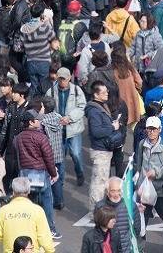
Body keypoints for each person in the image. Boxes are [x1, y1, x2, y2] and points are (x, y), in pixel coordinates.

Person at [13, 109, 60, 239]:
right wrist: (53, 173)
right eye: (37, 119)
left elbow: (17, 155)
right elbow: (49, 158)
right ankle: (50, 229)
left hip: (25, 175)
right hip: (41, 174)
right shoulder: (41, 137)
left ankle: (32, 229)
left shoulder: (18, 138)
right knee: (47, 202)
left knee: (31, 203)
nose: (40, 121)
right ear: (31, 122)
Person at [45, 67, 86, 191]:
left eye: (64, 78)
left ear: (69, 78)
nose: (62, 81)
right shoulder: (51, 91)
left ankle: (80, 173)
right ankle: (60, 182)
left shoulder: (77, 90)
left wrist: (70, 118)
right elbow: (47, 107)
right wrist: (56, 119)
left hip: (73, 129)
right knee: (59, 157)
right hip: (57, 130)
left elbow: (82, 107)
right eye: (60, 78)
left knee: (76, 153)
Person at [85, 80, 122, 211]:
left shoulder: (100, 106)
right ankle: (96, 211)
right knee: (99, 184)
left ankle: (100, 209)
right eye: (104, 92)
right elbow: (96, 131)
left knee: (102, 181)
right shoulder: (94, 111)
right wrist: (112, 127)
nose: (107, 93)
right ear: (96, 94)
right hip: (100, 151)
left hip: (104, 150)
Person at [135, 115, 163, 236]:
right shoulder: (142, 143)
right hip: (145, 191)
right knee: (141, 223)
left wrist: (156, 173)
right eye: (149, 129)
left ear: (160, 129)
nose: (151, 132)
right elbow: (139, 164)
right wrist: (138, 185)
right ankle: (139, 248)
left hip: (160, 191)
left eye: (154, 129)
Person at [0, 177, 54, 253]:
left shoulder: (3, 211)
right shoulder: (37, 210)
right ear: (29, 191)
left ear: (13, 192)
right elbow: (44, 237)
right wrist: (50, 251)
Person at [21, 3, 59, 96]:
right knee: (45, 87)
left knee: (34, 87)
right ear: (42, 13)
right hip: (44, 61)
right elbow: (54, 41)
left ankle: (32, 105)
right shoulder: (45, 27)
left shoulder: (23, 28)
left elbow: (21, 44)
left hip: (30, 61)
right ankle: (44, 106)